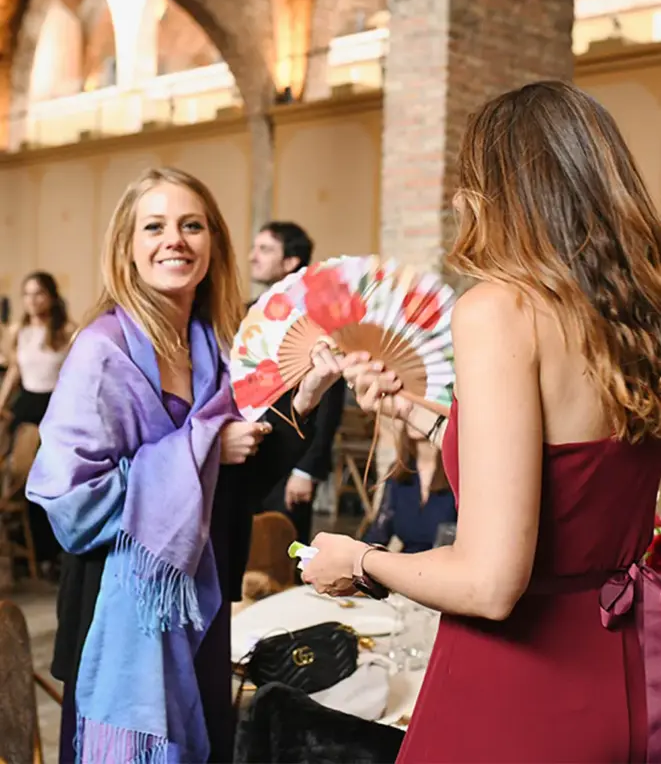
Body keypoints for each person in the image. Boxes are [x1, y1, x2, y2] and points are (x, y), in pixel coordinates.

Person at [302, 82, 661, 762]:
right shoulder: (636, 315)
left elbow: (489, 584)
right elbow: (571, 464)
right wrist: (421, 415)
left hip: (519, 690)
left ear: (495, 191)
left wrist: (361, 560)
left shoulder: (500, 310)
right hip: (621, 668)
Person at [26, 167, 345, 764]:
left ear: (213, 244)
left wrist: (303, 397)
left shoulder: (217, 347)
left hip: (202, 601)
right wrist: (200, 450)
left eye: (191, 225)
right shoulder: (101, 350)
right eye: (155, 226)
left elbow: (238, 484)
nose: (175, 239)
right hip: (114, 615)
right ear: (128, 246)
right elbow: (70, 505)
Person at [249, 221, 345, 543]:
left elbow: (329, 397)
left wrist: (306, 469)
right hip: (249, 449)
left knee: (284, 550)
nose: (252, 256)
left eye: (264, 249)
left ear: (290, 262)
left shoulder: (316, 316)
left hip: (293, 452)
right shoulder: (250, 313)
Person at [0, 272, 74, 569]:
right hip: (27, 405)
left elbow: (73, 375)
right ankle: (32, 552)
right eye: (27, 294)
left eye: (39, 293)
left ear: (52, 297)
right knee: (22, 477)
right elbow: (15, 371)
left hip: (56, 408)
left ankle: (53, 551)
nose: (32, 300)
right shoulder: (18, 331)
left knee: (55, 479)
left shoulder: (68, 330)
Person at [363, 420, 456, 554]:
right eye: (410, 409)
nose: (413, 415)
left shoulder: (457, 475)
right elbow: (378, 535)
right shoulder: (399, 474)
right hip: (406, 567)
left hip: (445, 569)